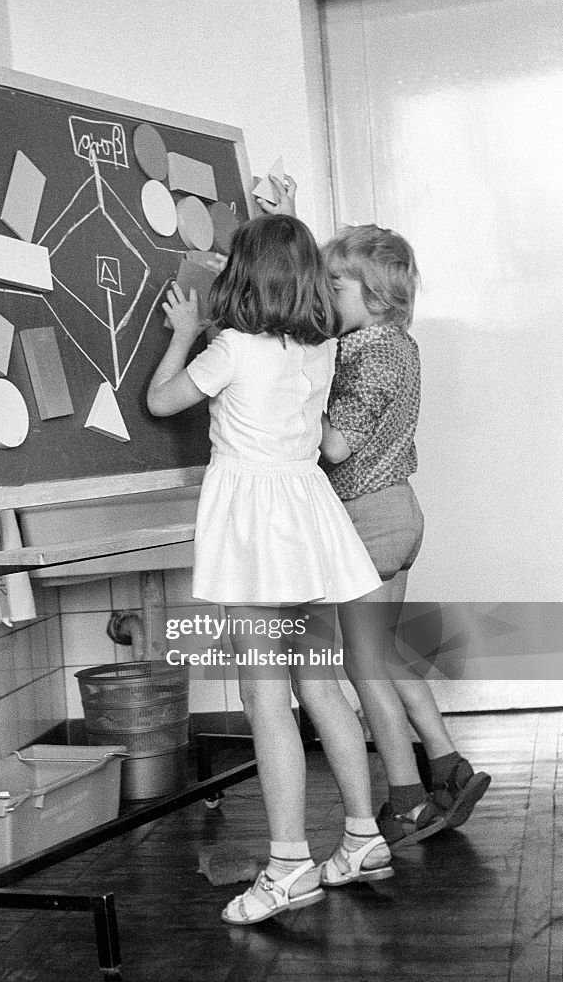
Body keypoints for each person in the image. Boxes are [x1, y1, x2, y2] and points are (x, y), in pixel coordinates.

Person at [147, 214, 394, 926]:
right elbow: (318, 437)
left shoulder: (229, 347)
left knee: (263, 699)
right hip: (309, 521)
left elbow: (161, 402)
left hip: (256, 529)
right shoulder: (319, 351)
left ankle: (287, 866)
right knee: (320, 687)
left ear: (241, 277)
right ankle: (361, 838)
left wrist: (181, 334)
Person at [317, 223, 491, 845]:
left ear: (376, 297)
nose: (322, 292)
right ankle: (448, 765)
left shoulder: (370, 352)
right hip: (393, 512)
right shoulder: (395, 340)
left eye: (334, 284)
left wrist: (288, 397)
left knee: (364, 666)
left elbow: (337, 444)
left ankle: (405, 798)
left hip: (369, 516)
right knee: (384, 656)